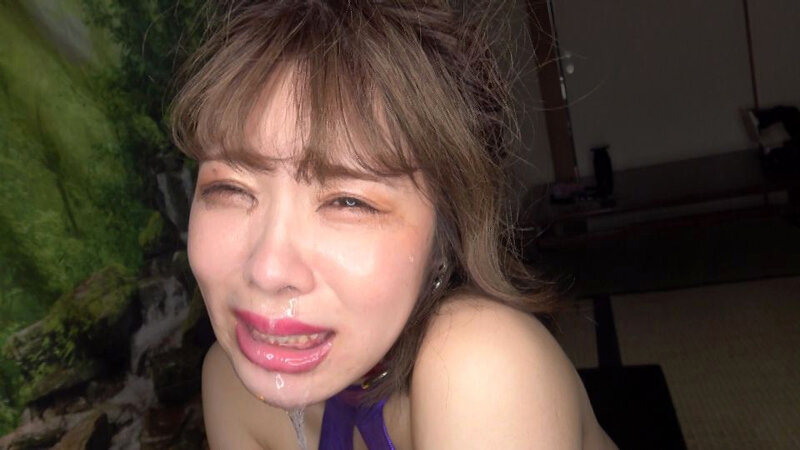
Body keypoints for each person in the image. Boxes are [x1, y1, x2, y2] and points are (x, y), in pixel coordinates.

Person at [169, 1, 616, 448]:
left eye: (349, 201)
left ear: (445, 235)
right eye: (230, 189)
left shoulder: (483, 366)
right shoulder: (230, 387)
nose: (268, 270)